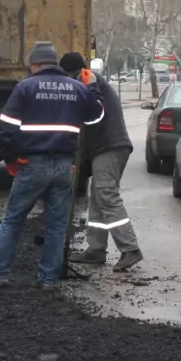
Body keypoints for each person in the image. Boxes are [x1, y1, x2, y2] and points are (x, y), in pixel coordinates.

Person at [0, 41, 103, 289]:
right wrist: (93, 88)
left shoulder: (25, 87)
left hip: (32, 164)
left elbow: (5, 127)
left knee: (13, 220)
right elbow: (97, 115)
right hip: (64, 167)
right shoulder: (76, 87)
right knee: (57, 225)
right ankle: (48, 280)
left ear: (34, 63)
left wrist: (12, 157)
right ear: (54, 62)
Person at [60, 52, 144, 272]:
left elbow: (93, 112)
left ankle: (130, 248)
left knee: (106, 194)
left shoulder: (89, 80)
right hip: (102, 148)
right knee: (97, 199)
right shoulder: (83, 80)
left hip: (110, 146)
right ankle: (96, 249)